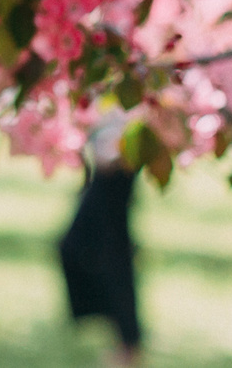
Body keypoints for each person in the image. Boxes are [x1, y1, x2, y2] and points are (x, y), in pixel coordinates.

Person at [60, 116, 144, 364]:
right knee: (78, 250)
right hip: (103, 191)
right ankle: (122, 339)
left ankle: (129, 348)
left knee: (116, 264)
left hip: (113, 189)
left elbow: (109, 157)